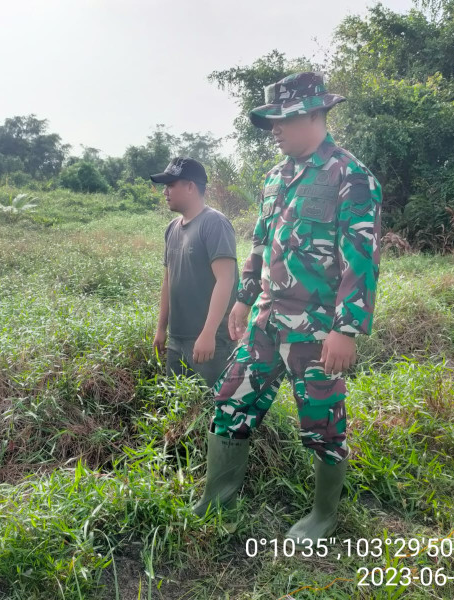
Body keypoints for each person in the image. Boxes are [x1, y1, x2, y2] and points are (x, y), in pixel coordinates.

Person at [191, 72, 383, 546]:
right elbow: (260, 244)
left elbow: (361, 258)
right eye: (270, 120)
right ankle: (219, 500)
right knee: (230, 402)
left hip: (316, 329)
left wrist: (346, 328)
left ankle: (323, 516)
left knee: (323, 421)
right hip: (265, 320)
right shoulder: (275, 177)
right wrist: (242, 299)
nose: (274, 128)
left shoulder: (350, 175)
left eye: (284, 119)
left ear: (316, 114)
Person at [151, 157, 239, 388]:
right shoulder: (172, 228)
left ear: (190, 186)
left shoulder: (214, 223)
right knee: (177, 406)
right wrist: (161, 328)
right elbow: (168, 281)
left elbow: (225, 279)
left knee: (210, 410)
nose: (165, 192)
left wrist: (208, 333)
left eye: (171, 185)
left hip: (210, 341)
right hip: (177, 338)